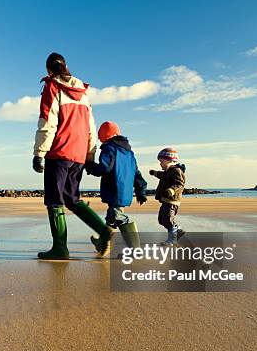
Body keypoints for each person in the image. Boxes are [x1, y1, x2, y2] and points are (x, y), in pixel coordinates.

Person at [32, 52, 112, 260]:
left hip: (58, 152)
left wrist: (39, 153)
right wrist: (89, 154)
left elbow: (47, 122)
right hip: (77, 154)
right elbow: (91, 127)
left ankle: (60, 248)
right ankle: (104, 230)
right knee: (71, 198)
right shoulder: (83, 94)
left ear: (49, 69)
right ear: (66, 67)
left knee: (54, 200)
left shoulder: (53, 87)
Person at [85, 121, 147, 249]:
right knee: (111, 218)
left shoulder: (109, 148)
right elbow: (136, 173)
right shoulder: (129, 152)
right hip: (125, 191)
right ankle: (103, 243)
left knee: (119, 216)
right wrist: (141, 192)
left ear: (103, 137)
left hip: (115, 190)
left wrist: (90, 166)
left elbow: (104, 168)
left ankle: (136, 249)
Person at [149, 148, 186, 246]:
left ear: (170, 160)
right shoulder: (167, 171)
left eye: (162, 161)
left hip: (172, 201)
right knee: (162, 219)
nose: (160, 164)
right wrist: (155, 173)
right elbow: (162, 175)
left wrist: (171, 190)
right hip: (165, 200)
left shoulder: (176, 171)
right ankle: (178, 230)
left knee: (168, 220)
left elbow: (180, 184)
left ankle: (172, 240)